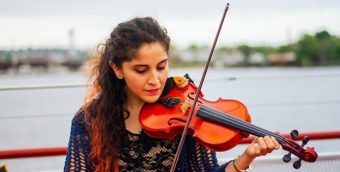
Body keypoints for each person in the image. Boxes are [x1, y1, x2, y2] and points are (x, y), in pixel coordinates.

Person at [64, 17, 280, 172]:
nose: (155, 79)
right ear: (117, 69)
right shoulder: (88, 120)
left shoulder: (187, 112)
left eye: (161, 66)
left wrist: (247, 157)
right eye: (141, 70)